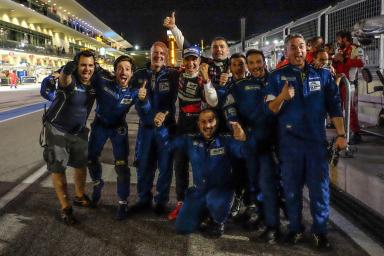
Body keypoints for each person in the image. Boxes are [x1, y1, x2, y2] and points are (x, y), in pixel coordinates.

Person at [265, 34, 347, 250]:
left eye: (301, 47)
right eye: (293, 47)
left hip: (315, 143)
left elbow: (335, 106)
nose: (298, 51)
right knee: (291, 190)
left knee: (319, 189)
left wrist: (340, 134)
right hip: (289, 144)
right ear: (286, 51)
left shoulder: (323, 75)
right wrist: (283, 97)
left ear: (307, 49)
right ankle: (295, 228)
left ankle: (320, 231)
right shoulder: (276, 77)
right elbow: (271, 109)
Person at [158, 108, 247, 238]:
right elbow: (168, 146)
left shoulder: (226, 140)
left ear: (216, 122)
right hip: (200, 192)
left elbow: (244, 152)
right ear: (198, 124)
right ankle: (204, 213)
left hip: (220, 192)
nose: (207, 125)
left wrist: (243, 139)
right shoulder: (190, 140)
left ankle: (218, 222)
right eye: (203, 122)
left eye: (211, 121)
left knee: (214, 198)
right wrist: (160, 128)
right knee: (182, 227)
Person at [223, 49, 280, 243]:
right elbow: (229, 106)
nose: (256, 66)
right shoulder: (240, 86)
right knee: (258, 183)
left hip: (281, 142)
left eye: (259, 62)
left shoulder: (278, 80)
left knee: (277, 186)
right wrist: (235, 124)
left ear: (265, 61)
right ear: (247, 65)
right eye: (252, 63)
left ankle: (275, 225)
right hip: (256, 143)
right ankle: (266, 220)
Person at [87, 55, 151, 220]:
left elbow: (145, 114)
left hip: (118, 129)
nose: (123, 72)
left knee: (122, 167)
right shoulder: (103, 82)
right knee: (91, 159)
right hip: (99, 126)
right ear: (114, 71)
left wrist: (144, 101)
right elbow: (84, 70)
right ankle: (96, 183)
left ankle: (123, 202)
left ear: (132, 73)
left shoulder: (134, 91)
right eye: (120, 68)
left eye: (127, 69)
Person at [42, 50, 97, 225]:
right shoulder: (70, 80)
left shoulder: (94, 83)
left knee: (81, 165)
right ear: (76, 66)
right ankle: (65, 207)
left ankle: (79, 196)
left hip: (78, 131)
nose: (87, 69)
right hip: (57, 129)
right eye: (83, 65)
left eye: (90, 65)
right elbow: (64, 79)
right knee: (58, 168)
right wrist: (66, 70)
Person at [168, 46, 218, 220]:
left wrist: (206, 80)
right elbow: (180, 42)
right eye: (187, 59)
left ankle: (202, 206)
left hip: (198, 126)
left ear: (199, 61)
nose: (191, 63)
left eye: (194, 59)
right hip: (182, 125)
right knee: (180, 166)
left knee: (199, 169)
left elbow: (213, 101)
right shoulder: (179, 75)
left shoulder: (202, 79)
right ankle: (181, 203)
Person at [130, 41, 179, 215]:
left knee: (165, 167)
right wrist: (140, 99)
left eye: (161, 53)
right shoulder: (139, 75)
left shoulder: (173, 75)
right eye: (155, 53)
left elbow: (176, 102)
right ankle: (143, 199)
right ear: (149, 55)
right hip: (146, 129)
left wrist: (165, 115)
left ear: (165, 56)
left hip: (166, 129)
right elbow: (130, 97)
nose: (158, 56)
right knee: (143, 166)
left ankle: (161, 201)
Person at [163, 12, 231, 87]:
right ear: (211, 50)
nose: (218, 49)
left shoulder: (235, 63)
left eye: (222, 46)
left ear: (228, 49)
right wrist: (173, 28)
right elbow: (187, 48)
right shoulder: (206, 63)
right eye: (215, 47)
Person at [333, 30, 364, 144]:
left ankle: (356, 133)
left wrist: (344, 59)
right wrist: (335, 61)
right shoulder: (340, 50)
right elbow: (336, 65)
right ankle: (343, 132)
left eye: (338, 39)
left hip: (348, 83)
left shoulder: (356, 48)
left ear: (345, 38)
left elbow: (360, 63)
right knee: (338, 108)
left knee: (349, 109)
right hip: (339, 82)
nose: (337, 41)